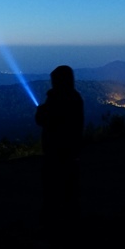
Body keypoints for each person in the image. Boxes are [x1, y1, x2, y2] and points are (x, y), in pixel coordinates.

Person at [35, 65, 84, 229]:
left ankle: (51, 229)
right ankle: (71, 228)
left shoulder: (56, 99)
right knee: (70, 194)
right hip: (71, 154)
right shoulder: (76, 98)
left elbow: (43, 120)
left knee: (52, 193)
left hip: (54, 154)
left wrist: (41, 111)